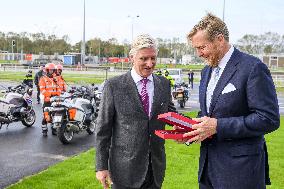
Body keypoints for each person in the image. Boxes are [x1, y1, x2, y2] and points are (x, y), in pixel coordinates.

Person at [180, 13, 280, 189]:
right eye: (196, 48)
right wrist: (188, 130)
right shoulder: (206, 71)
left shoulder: (252, 68)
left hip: (241, 172)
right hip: (208, 170)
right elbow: (207, 115)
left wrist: (218, 126)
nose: (199, 54)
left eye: (202, 47)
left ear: (220, 39)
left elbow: (268, 119)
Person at [95, 34, 176, 189]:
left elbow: (171, 116)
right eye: (144, 59)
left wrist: (193, 127)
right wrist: (101, 166)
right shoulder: (114, 86)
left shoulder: (164, 84)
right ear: (131, 57)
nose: (150, 64)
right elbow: (103, 130)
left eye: (153, 58)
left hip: (155, 169)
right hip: (124, 171)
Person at [39, 63, 61, 136]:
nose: (51, 71)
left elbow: (59, 88)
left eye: (52, 70)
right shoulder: (42, 79)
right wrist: (51, 94)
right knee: (46, 116)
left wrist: (57, 93)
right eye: (50, 70)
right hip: (47, 101)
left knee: (55, 116)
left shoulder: (55, 79)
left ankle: (54, 129)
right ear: (47, 70)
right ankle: (44, 130)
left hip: (55, 101)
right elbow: (42, 90)